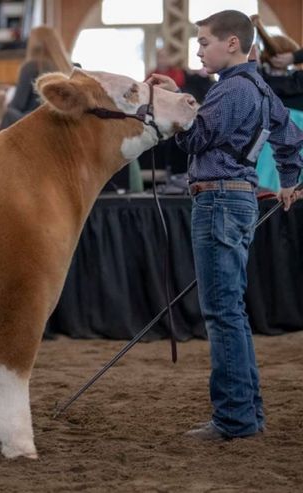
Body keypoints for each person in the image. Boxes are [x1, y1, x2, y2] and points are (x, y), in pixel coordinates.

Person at [147, 10, 303, 441]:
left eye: (203, 42)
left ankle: (235, 418)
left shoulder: (229, 90)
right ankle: (245, 413)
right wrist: (289, 181)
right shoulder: (258, 86)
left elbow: (193, 139)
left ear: (231, 43)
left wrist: (174, 105)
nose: (198, 49)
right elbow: (289, 137)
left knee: (222, 312)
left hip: (217, 199)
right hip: (236, 199)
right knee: (230, 309)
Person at [0, 26, 72, 129]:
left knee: (8, 114)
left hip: (38, 124)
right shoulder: (73, 68)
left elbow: (18, 104)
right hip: (63, 123)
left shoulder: (31, 67)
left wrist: (6, 100)